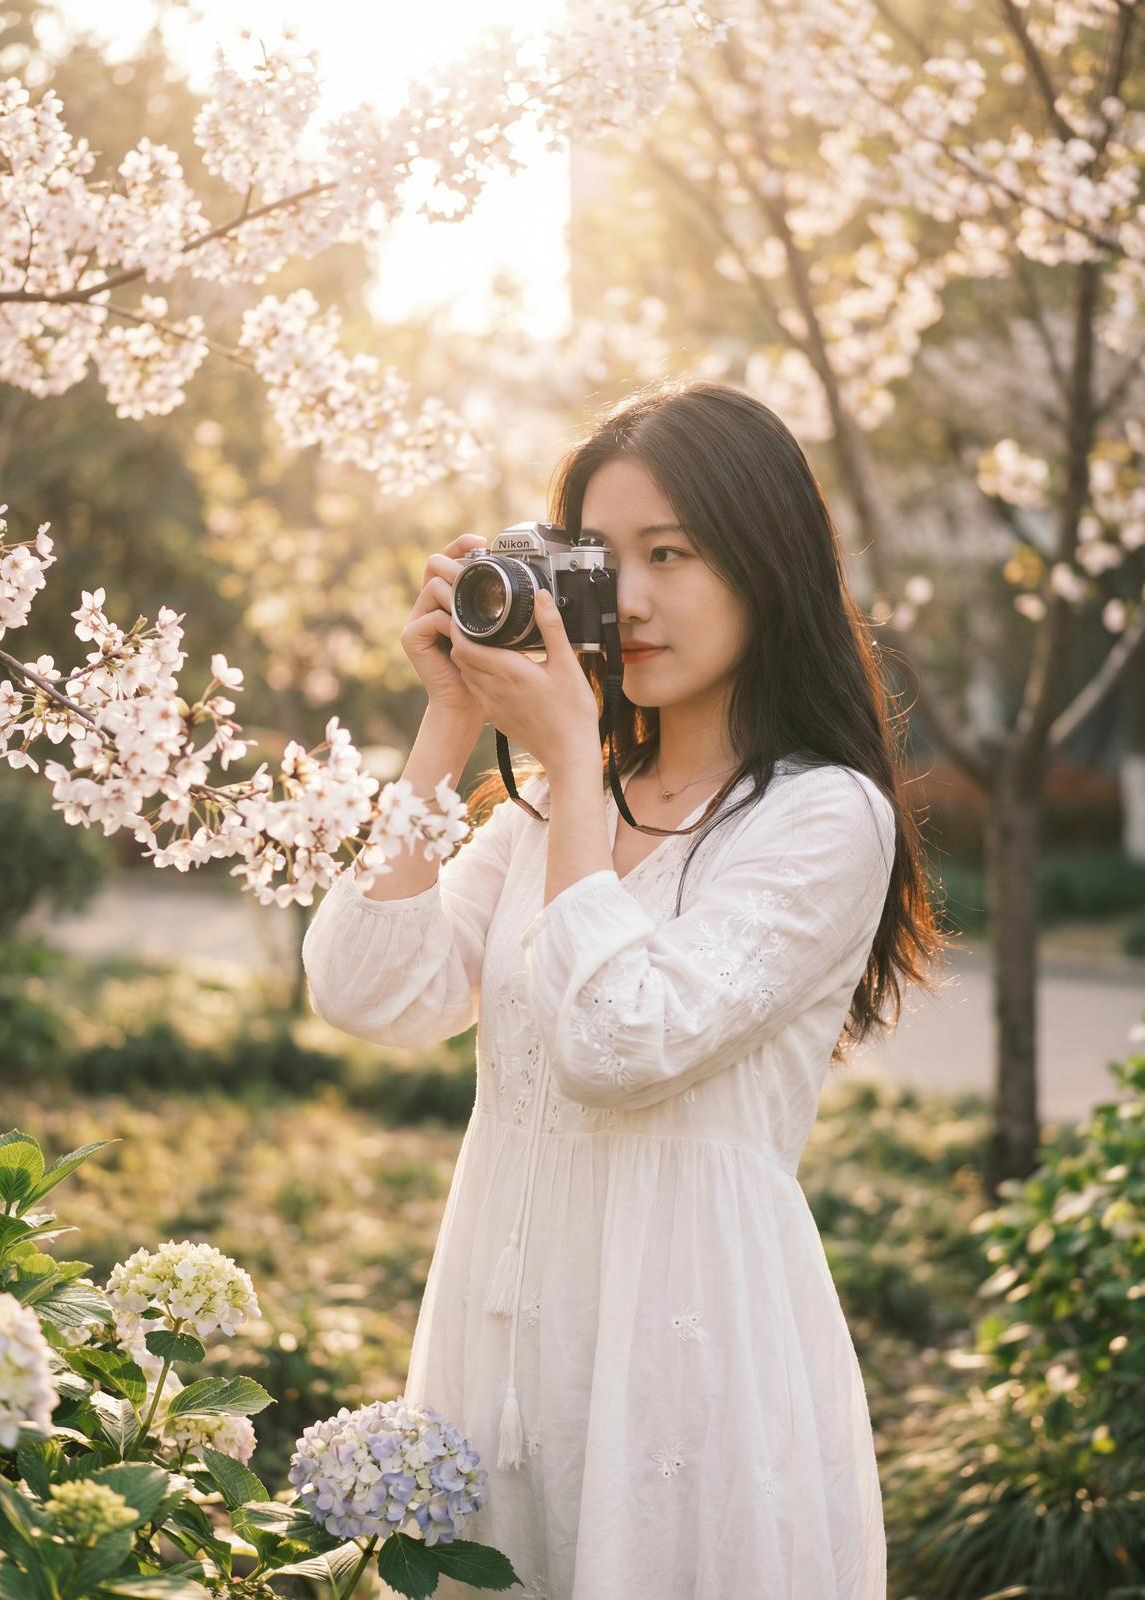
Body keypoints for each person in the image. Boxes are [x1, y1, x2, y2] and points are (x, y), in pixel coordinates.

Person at [301, 379, 947, 1599]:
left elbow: (619, 1039)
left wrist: (566, 761)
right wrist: (445, 723)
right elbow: (364, 988)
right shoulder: (557, 804)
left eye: (674, 553)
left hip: (686, 1356)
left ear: (767, 564)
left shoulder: (821, 817)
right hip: (503, 1342)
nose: (632, 598)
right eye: (602, 558)